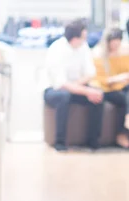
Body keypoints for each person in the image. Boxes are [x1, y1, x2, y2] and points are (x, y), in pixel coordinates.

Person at [43, 20, 104, 151]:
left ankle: (93, 141)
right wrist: (84, 90)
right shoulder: (56, 49)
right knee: (64, 96)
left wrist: (79, 86)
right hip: (53, 90)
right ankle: (60, 142)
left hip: (76, 87)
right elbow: (61, 84)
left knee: (98, 95)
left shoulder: (84, 47)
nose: (85, 39)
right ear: (75, 39)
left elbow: (90, 73)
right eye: (83, 37)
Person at [92, 28, 129, 148]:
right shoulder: (98, 54)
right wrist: (118, 78)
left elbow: (128, 70)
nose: (115, 45)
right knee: (124, 99)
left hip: (121, 86)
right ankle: (122, 131)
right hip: (105, 89)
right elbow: (99, 79)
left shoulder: (124, 51)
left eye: (118, 42)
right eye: (113, 42)